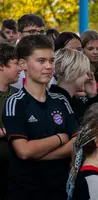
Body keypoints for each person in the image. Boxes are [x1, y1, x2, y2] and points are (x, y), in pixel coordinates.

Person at [2, 35, 78, 200]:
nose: (48, 67)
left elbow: (77, 143)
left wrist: (40, 154)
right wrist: (60, 138)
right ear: (23, 64)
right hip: (25, 192)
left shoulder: (61, 100)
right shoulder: (15, 103)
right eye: (41, 61)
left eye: (51, 61)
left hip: (59, 190)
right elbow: (24, 151)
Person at [49, 47, 98, 123]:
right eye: (85, 72)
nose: (87, 77)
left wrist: (92, 95)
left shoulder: (75, 102)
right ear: (74, 72)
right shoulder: (54, 103)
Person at [0, 41, 21, 199]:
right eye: (15, 64)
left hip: (16, 171)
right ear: (2, 65)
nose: (20, 69)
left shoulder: (18, 95)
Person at [12, 14, 47, 89]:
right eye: (32, 31)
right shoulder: (9, 57)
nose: (38, 35)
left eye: (41, 32)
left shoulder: (49, 59)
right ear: (19, 34)